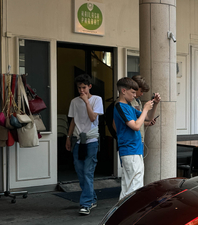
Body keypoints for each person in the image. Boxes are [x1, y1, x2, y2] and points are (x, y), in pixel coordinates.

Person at [113, 77, 160, 200]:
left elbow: (148, 118)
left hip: (134, 150)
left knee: (130, 185)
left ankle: (121, 214)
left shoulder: (128, 107)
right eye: (133, 92)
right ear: (123, 91)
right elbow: (135, 126)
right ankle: (129, 214)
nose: (135, 95)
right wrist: (144, 109)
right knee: (134, 186)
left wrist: (154, 104)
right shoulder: (120, 106)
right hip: (129, 150)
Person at [65, 74, 104, 215]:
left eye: (84, 88)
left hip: (91, 140)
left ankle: (86, 203)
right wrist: (68, 138)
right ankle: (91, 198)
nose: (81, 91)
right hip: (77, 139)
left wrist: (87, 102)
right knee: (81, 172)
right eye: (79, 88)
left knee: (88, 171)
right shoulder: (74, 102)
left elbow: (93, 117)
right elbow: (73, 121)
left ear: (89, 87)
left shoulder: (96, 99)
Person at [130, 75, 157, 142]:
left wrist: (155, 104)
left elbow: (146, 118)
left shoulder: (137, 101)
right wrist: (145, 109)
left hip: (139, 138)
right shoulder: (124, 103)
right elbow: (133, 124)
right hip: (131, 140)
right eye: (141, 91)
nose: (142, 94)